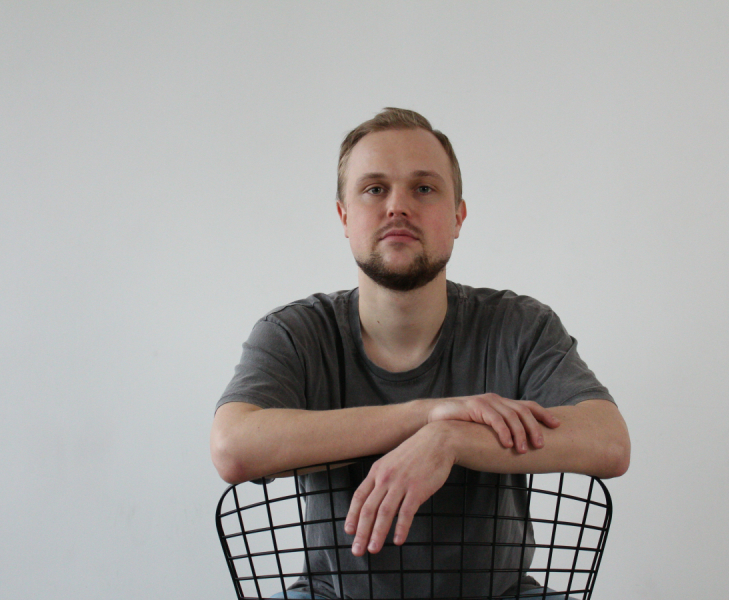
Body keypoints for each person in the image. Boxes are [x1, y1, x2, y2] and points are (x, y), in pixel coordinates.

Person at [211, 108, 630, 599]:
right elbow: (233, 448)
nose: (398, 207)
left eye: (424, 188)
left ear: (458, 217)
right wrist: (427, 414)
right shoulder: (295, 333)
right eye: (374, 189)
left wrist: (448, 439)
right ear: (344, 216)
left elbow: (609, 442)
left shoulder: (519, 326)